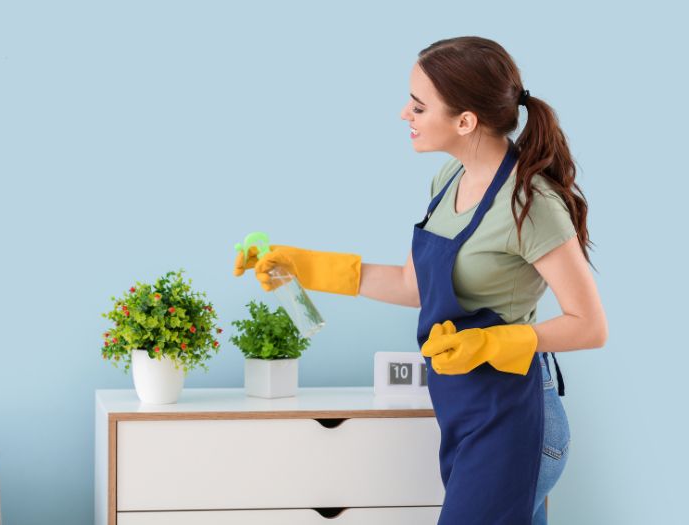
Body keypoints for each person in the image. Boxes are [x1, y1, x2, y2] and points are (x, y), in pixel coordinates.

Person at [233, 35, 608, 525]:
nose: (403, 116)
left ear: (465, 121)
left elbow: (590, 326)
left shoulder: (530, 205)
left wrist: (494, 342)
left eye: (417, 106)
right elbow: (414, 285)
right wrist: (304, 265)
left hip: (516, 417)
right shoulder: (448, 180)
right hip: (468, 410)